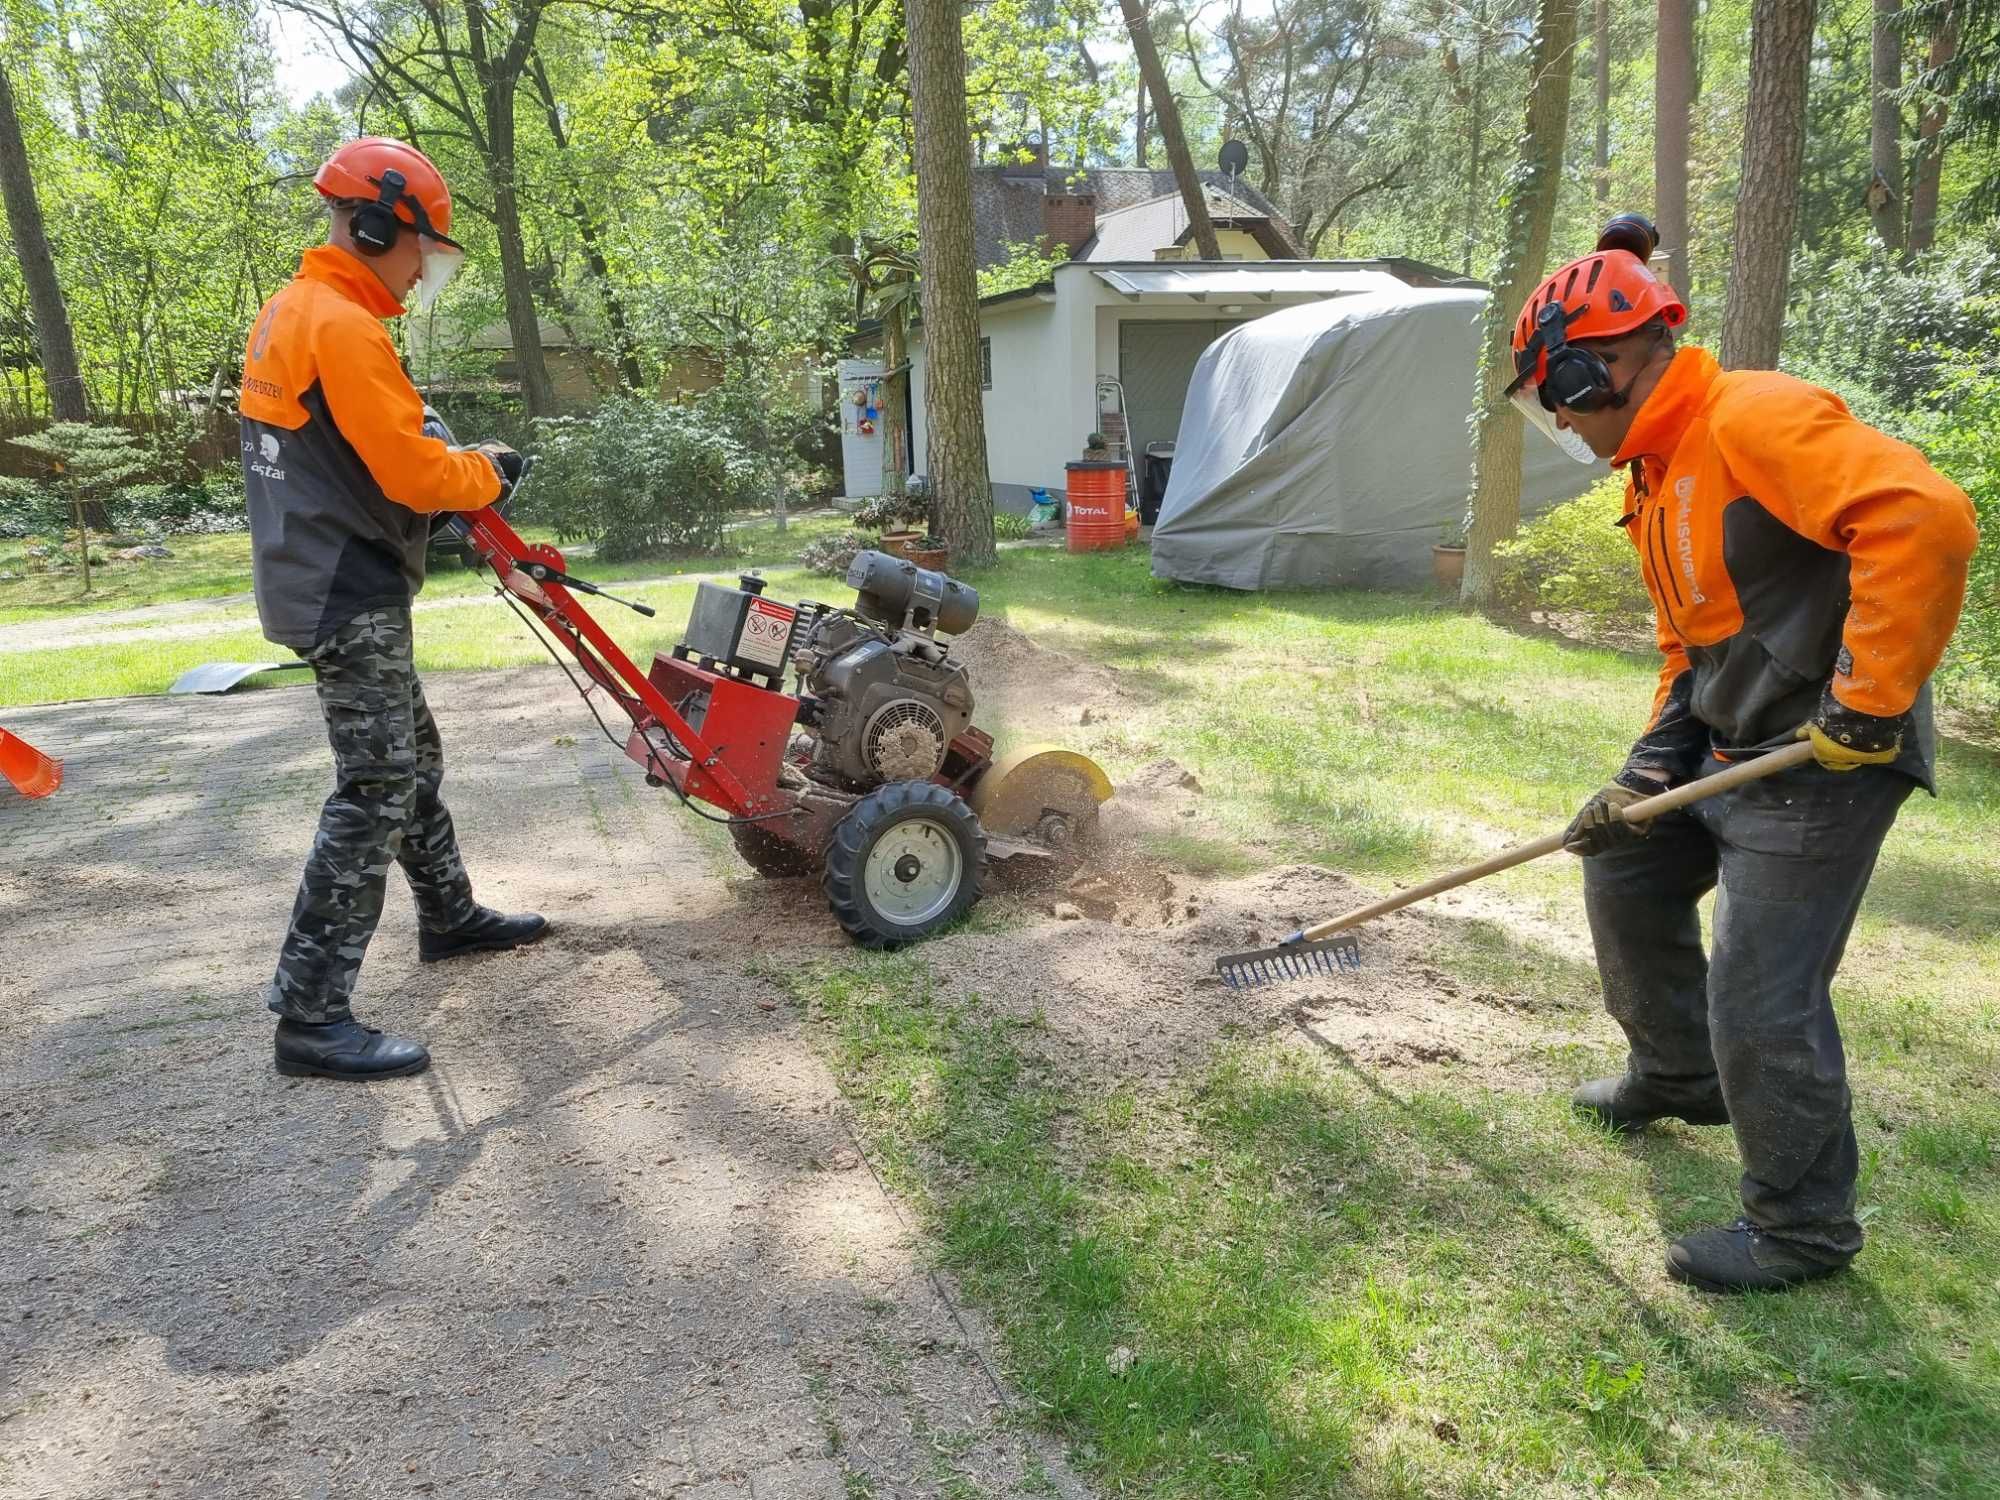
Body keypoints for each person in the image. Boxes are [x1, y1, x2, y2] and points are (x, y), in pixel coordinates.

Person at [1507, 214, 1979, 1292]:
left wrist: (1866, 700)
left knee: (1761, 996)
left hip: (1825, 759)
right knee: (1626, 860)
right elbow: (1688, 654)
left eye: (1555, 396)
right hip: (1735, 741)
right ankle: (1677, 1077)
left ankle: (1801, 1230)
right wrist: (1643, 776)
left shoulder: (1750, 415)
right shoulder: (1653, 474)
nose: (1560, 423)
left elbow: (1926, 518)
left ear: (1597, 366)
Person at [240, 137, 547, 1082]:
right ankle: (311, 1014)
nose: (422, 273)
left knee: (412, 758)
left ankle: (449, 916)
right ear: (376, 226)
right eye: (422, 250)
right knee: (375, 785)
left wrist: (455, 466)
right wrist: (487, 472)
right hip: (345, 582)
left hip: (319, 568)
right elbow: (414, 472)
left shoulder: (299, 310)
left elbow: (372, 444)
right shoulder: (340, 324)